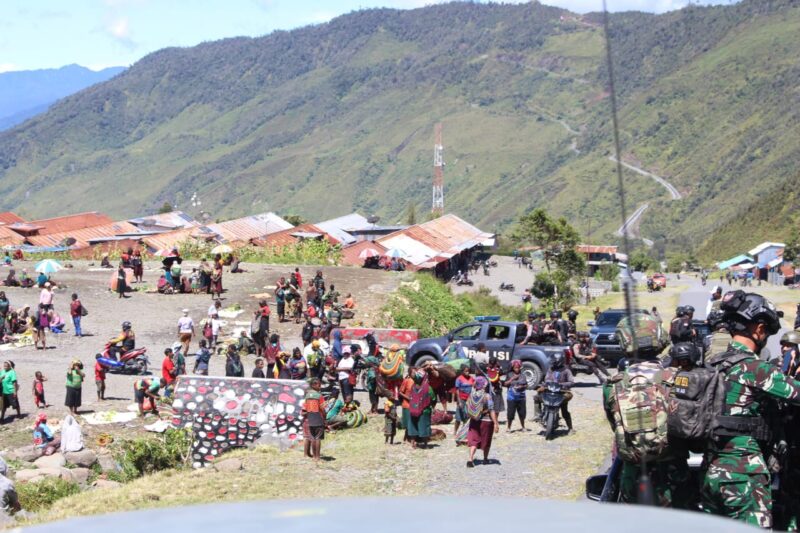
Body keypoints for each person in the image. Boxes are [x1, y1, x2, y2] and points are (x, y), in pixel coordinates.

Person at [701, 291, 800, 528]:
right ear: (758, 329)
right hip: (744, 474)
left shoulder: (713, 364)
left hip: (710, 472)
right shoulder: (756, 368)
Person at [534, 354, 574, 432]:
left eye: (554, 362)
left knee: (564, 410)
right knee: (536, 397)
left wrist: (562, 384)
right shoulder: (550, 369)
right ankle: (538, 415)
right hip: (550, 391)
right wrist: (543, 385)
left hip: (562, 392)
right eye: (552, 362)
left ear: (559, 362)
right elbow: (546, 379)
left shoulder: (566, 370)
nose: (553, 363)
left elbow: (571, 382)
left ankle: (570, 428)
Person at [466, 375, 499, 467]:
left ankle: (470, 459)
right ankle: (485, 459)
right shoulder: (487, 396)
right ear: (484, 385)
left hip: (474, 420)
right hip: (486, 421)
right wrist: (496, 423)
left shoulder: (472, 394)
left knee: (474, 440)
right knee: (486, 440)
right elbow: (491, 410)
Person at [406, 370, 436, 449]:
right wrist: (432, 407)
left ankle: (413, 443)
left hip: (412, 409)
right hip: (424, 411)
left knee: (413, 425)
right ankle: (425, 444)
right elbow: (433, 399)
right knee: (424, 426)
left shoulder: (413, 387)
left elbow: (411, 397)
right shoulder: (428, 388)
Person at [302, 378, 326, 462]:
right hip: (318, 417)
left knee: (312, 438)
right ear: (313, 385)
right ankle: (317, 457)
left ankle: (314, 456)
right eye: (318, 384)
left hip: (310, 418)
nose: (320, 386)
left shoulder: (307, 396)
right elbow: (322, 408)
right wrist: (325, 418)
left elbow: (305, 407)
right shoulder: (319, 396)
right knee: (318, 438)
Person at [504, 360, 528, 431]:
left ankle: (523, 427)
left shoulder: (523, 375)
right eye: (515, 368)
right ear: (513, 368)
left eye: (518, 367)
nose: (517, 369)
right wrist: (512, 379)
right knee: (510, 413)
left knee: (522, 413)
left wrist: (523, 386)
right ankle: (509, 427)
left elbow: (526, 385)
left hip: (521, 397)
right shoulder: (509, 374)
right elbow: (505, 384)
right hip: (511, 397)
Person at [453, 364, 475, 437]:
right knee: (458, 417)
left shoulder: (471, 378)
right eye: (466, 371)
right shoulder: (459, 379)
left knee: (467, 417)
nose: (467, 373)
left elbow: (474, 386)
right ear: (462, 371)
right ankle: (455, 431)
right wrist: (459, 401)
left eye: (468, 371)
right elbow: (457, 390)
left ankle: (464, 432)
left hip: (469, 400)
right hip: (461, 399)